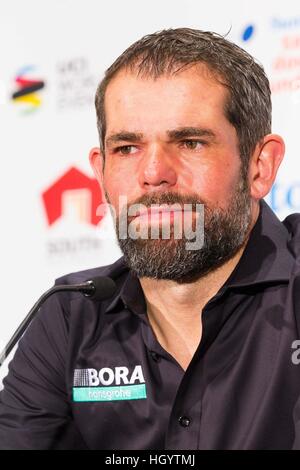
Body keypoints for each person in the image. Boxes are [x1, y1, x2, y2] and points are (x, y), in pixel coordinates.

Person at [1, 27, 300, 450]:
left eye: (191, 142)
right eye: (127, 148)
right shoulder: (69, 318)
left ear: (260, 167)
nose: (154, 172)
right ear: (101, 171)